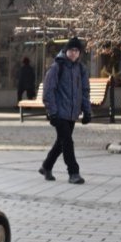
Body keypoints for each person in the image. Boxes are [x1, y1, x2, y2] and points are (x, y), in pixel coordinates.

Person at [39, 37, 92, 185]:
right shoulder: (57, 67)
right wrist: (52, 112)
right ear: (66, 50)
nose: (74, 53)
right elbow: (48, 91)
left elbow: (85, 91)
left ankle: (46, 166)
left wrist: (87, 111)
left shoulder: (80, 69)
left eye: (77, 51)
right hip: (59, 113)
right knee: (67, 142)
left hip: (72, 113)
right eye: (72, 50)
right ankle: (73, 172)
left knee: (61, 142)